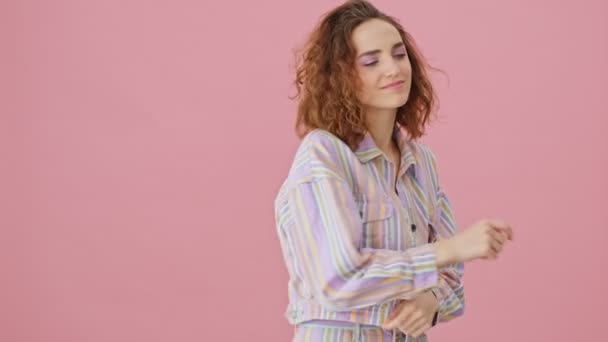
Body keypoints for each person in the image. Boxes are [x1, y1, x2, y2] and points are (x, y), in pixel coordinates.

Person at [273, 1, 514, 341]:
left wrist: (431, 300)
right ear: (341, 77)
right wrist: (447, 251)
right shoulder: (324, 156)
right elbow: (337, 281)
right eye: (371, 61)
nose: (393, 69)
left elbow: (451, 282)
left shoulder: (422, 163)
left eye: (399, 55)